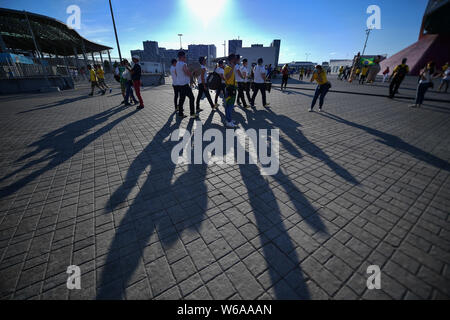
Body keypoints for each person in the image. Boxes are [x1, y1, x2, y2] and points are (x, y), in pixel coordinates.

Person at [176, 51, 197, 119]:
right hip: (185, 85)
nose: (185, 58)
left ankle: (180, 113)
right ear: (181, 57)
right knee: (192, 98)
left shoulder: (177, 64)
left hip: (180, 84)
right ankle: (192, 113)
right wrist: (192, 74)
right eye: (185, 57)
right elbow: (187, 73)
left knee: (182, 99)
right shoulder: (183, 64)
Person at [224, 54, 238, 128]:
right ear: (232, 60)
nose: (236, 60)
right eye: (235, 59)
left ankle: (228, 119)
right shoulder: (227, 68)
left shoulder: (231, 67)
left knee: (229, 105)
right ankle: (228, 121)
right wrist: (232, 68)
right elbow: (227, 77)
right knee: (229, 106)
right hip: (230, 88)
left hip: (233, 88)